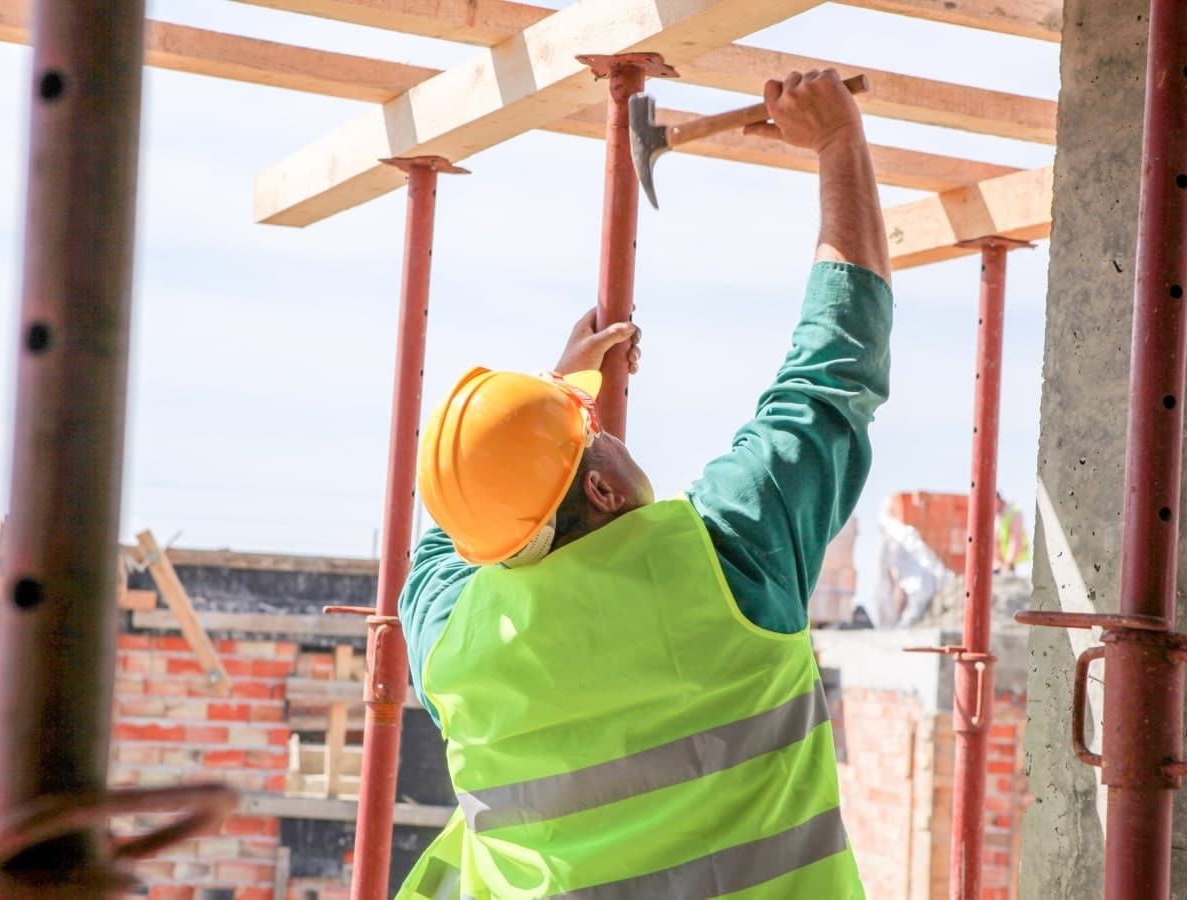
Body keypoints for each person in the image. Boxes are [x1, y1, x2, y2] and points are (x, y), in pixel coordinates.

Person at [395, 69, 892, 900]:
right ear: (601, 492)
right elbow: (833, 366)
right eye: (596, 435)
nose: (612, 430)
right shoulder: (728, 558)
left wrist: (555, 392)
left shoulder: (451, 639)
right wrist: (839, 142)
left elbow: (457, 518)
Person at [994, 491, 1031, 574]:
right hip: (1005, 564)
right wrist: (999, 563)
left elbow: (1015, 540)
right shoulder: (997, 517)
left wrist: (1008, 564)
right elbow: (996, 542)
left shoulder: (1014, 512)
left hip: (1018, 564)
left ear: (997, 499)